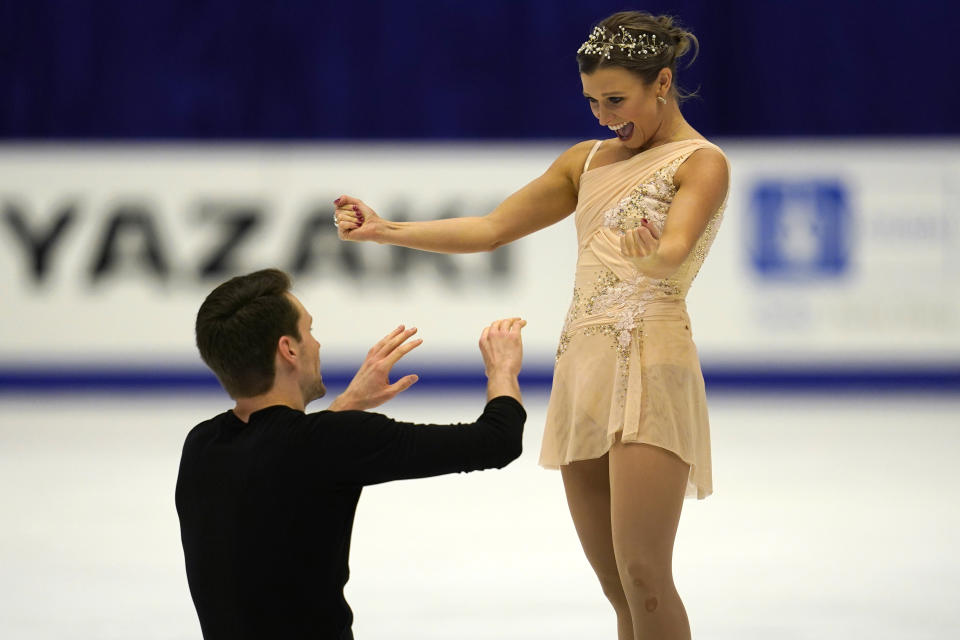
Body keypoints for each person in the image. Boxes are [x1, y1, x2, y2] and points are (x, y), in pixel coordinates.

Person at [333, 11, 728, 640]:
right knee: (616, 585)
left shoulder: (701, 163)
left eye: (616, 99)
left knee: (646, 573)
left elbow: (675, 249)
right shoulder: (585, 160)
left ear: (662, 82)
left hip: (653, 360)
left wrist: (648, 253)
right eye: (592, 100)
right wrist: (387, 230)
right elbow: (492, 229)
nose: (603, 115)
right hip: (585, 368)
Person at [175, 268, 527, 640]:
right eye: (309, 330)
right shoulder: (331, 443)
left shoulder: (201, 444)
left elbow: (284, 456)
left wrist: (349, 403)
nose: (317, 344)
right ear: (289, 349)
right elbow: (497, 441)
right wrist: (502, 370)